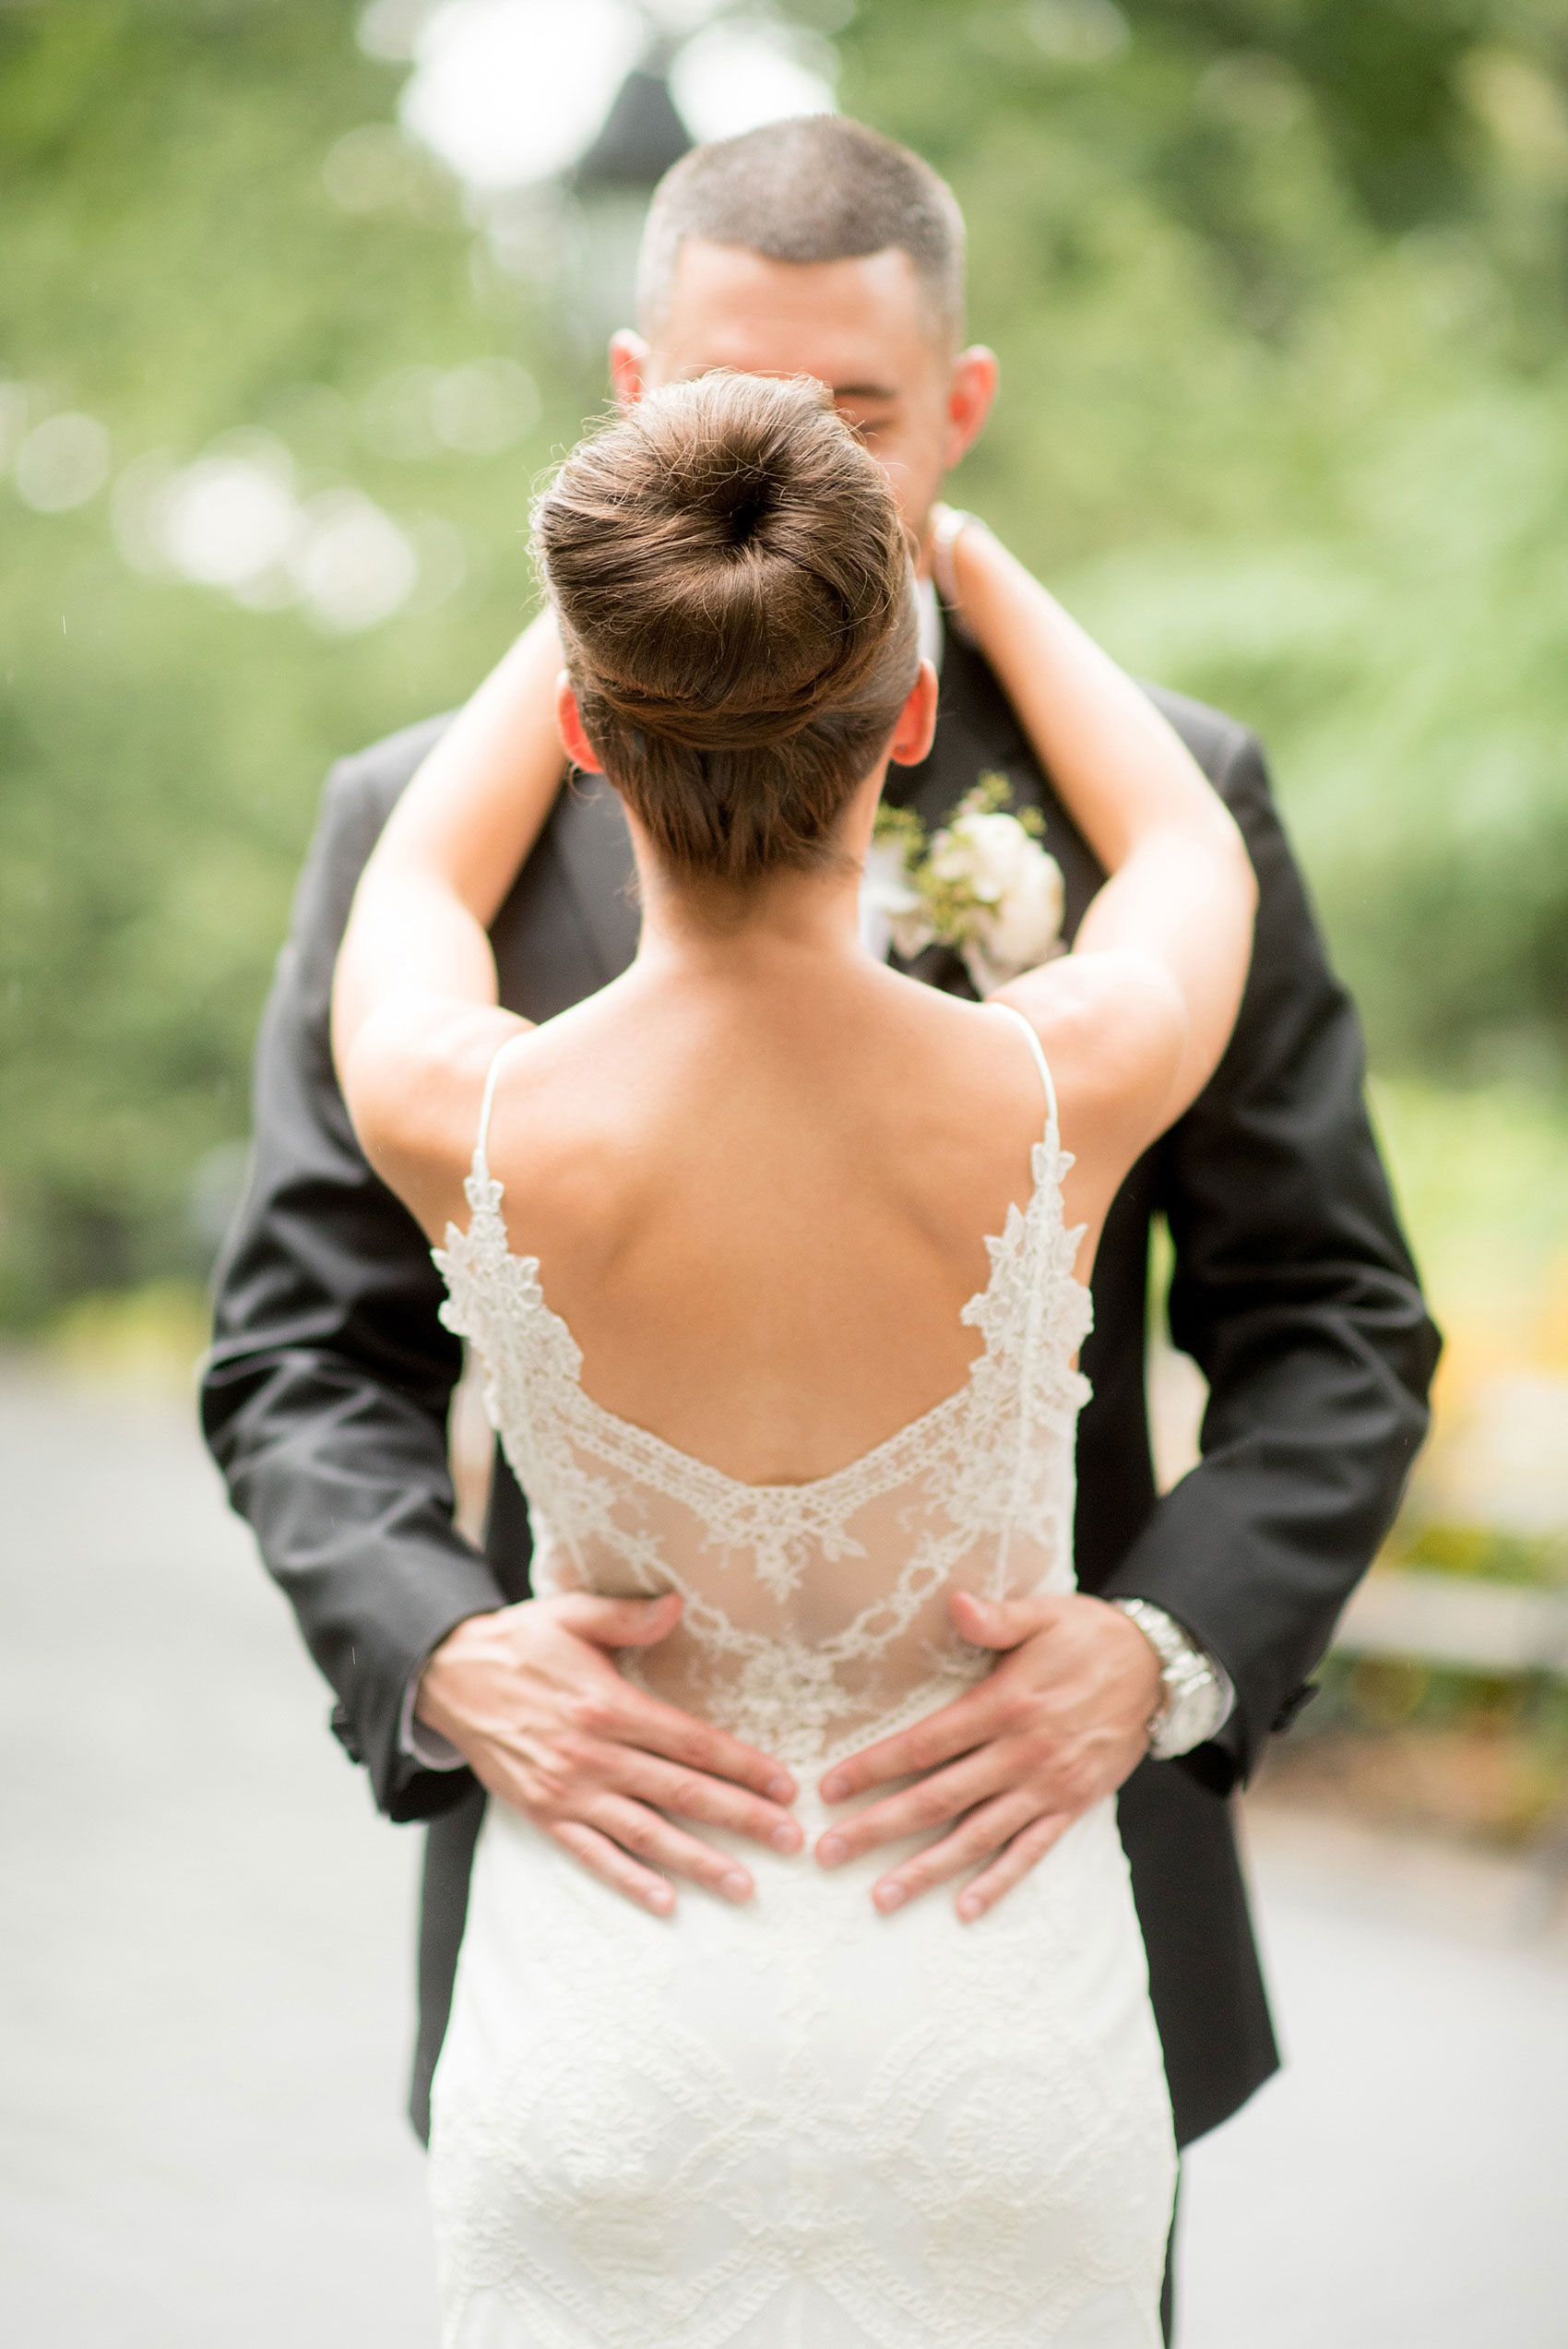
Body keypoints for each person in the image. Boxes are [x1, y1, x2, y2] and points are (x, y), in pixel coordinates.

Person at [201, 117, 1439, 2337]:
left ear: (955, 407)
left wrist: (1156, 1651)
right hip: (651, 1887)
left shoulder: (453, 1001)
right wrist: (436, 1648)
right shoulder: (1088, 1016)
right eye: (723, 414)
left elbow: (1333, 1317)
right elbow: (300, 1349)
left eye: (849, 423)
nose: (796, 461)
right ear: (625, 382)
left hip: (1016, 1897)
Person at [331, 365, 1257, 2343]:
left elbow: (409, 878)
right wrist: (968, 563)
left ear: (583, 731)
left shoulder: (457, 1107)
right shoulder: (1056, 1084)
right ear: (908, 720)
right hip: (995, 2032)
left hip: (610, 2037)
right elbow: (1191, 844)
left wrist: (626, 608)